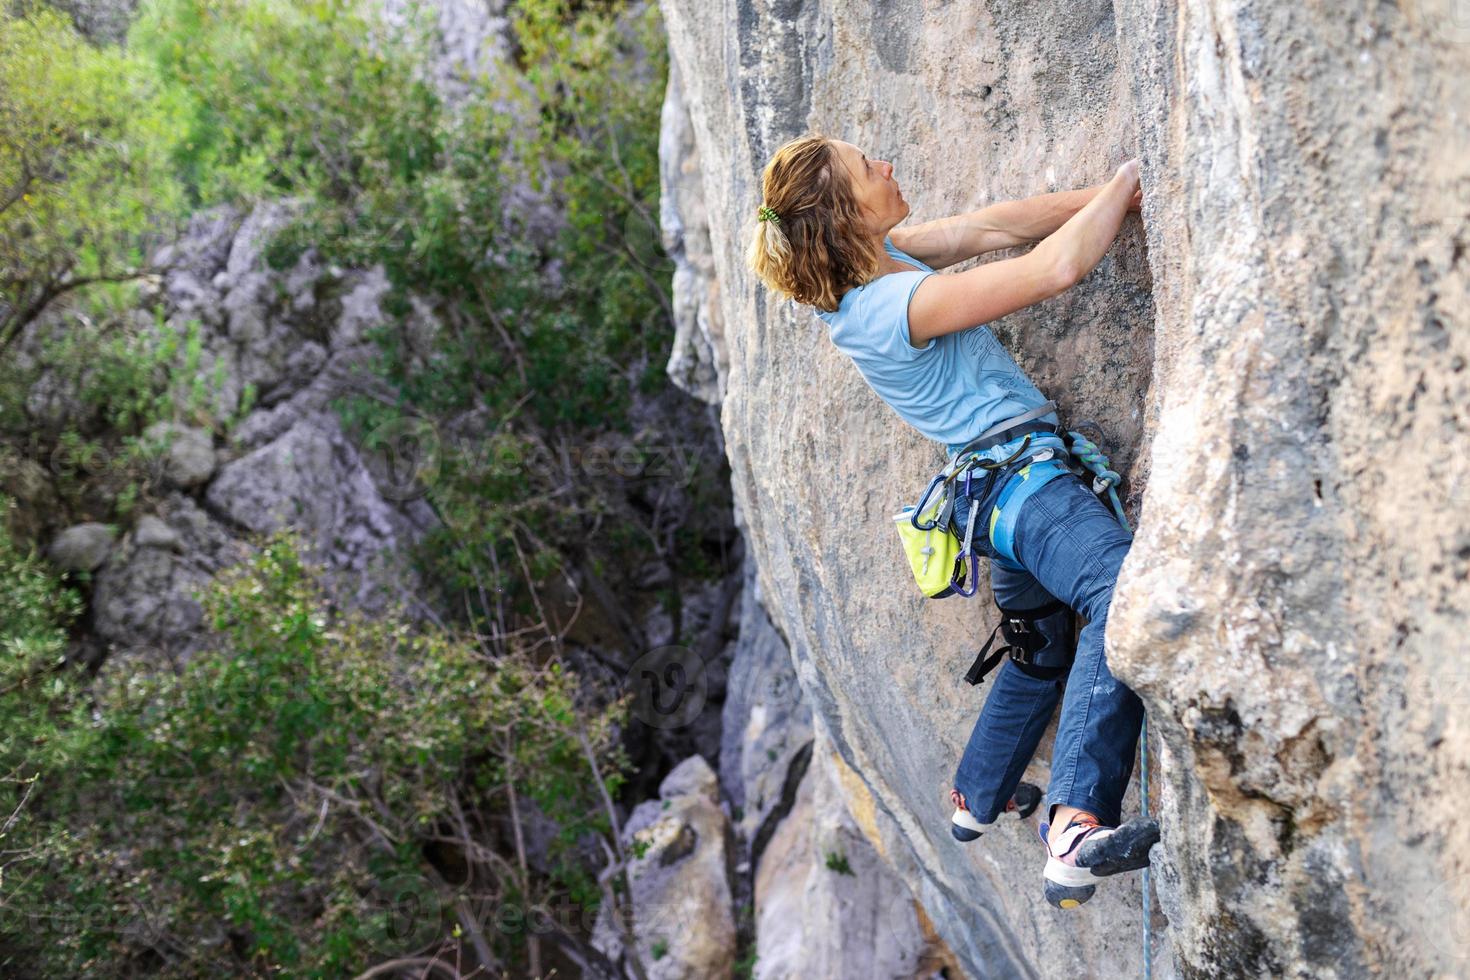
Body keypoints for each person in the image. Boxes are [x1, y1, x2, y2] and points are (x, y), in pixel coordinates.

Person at [744, 134, 1158, 909]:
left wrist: (1117, 196)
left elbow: (1000, 227)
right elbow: (1051, 269)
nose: (888, 165)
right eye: (870, 169)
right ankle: (1074, 829)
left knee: (1041, 655)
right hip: (1027, 492)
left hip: (994, 502)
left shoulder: (882, 259)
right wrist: (1135, 178)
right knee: (1120, 590)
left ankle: (976, 794)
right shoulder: (893, 305)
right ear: (844, 215)